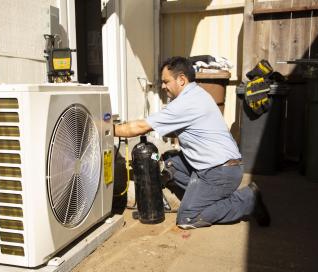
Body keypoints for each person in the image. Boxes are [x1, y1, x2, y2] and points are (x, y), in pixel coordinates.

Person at [113, 56, 270, 229]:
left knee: (188, 217)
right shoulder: (197, 94)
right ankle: (204, 197)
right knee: (167, 163)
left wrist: (107, 129)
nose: (163, 86)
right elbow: (180, 128)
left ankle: (248, 200)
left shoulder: (185, 104)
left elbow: (140, 126)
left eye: (166, 81)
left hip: (220, 172)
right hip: (216, 166)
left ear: (181, 79)